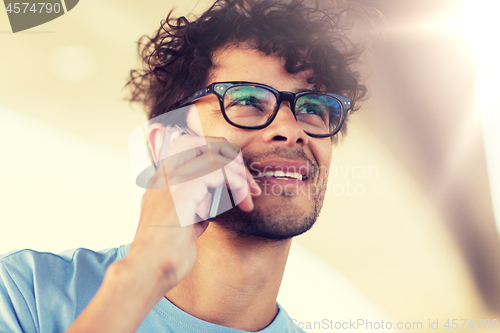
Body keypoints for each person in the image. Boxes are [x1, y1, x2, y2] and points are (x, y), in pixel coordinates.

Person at [0, 0, 366, 332]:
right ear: (166, 144)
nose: (290, 130)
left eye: (314, 108)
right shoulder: (25, 295)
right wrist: (142, 276)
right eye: (248, 100)